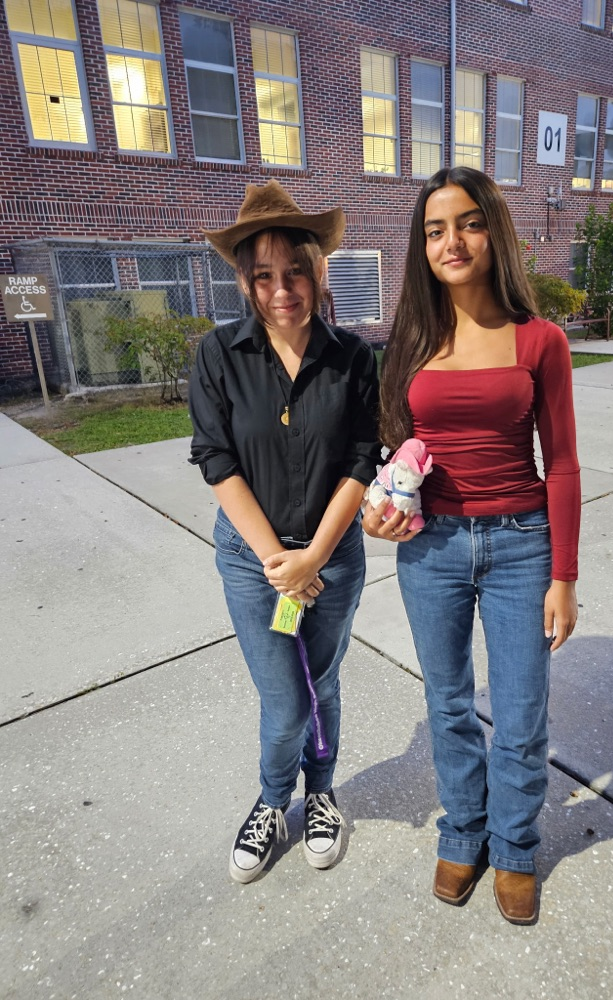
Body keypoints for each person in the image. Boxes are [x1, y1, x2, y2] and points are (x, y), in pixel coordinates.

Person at [363, 166, 580, 924]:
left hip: (522, 543)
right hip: (433, 550)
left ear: (494, 231)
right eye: (433, 229)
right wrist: (376, 514)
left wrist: (564, 575)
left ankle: (515, 844)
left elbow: (564, 462)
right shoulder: (413, 339)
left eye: (467, 223)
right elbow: (391, 454)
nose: (451, 241)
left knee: (521, 713)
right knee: (448, 703)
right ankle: (463, 830)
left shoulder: (540, 339)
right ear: (421, 246)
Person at [189, 180, 380, 884]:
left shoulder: (355, 358)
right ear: (245, 280)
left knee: (322, 681)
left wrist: (315, 558)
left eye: (293, 269)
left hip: (334, 555)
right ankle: (275, 801)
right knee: (288, 696)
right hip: (253, 563)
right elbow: (215, 459)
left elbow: (364, 457)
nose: (280, 289)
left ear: (317, 268)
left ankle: (321, 792)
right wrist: (280, 562)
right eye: (262, 274)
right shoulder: (218, 355)